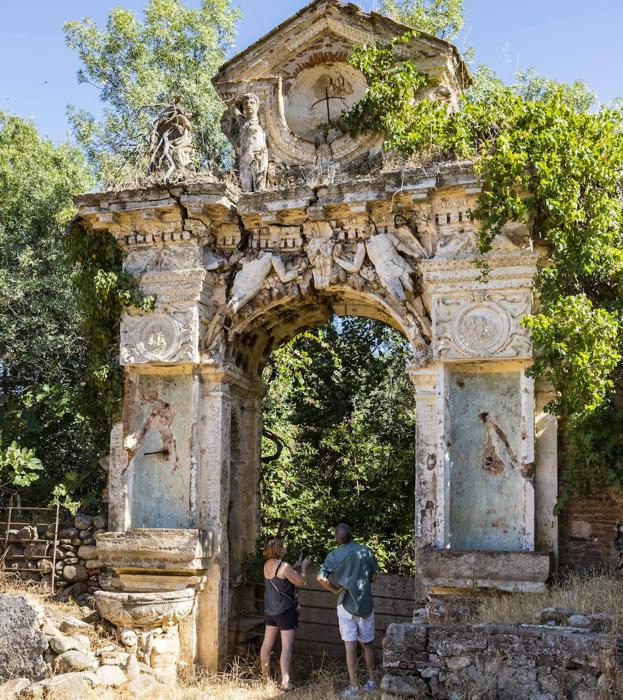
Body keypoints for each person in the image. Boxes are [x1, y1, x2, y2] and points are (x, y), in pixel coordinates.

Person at [318, 524, 379, 697]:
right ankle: (372, 682)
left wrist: (336, 589)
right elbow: (374, 576)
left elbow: (320, 577)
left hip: (344, 605)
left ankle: (354, 687)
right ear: (352, 535)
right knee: (367, 645)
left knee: (349, 646)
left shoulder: (334, 555)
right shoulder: (365, 551)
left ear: (337, 539)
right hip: (365, 603)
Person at [260, 536, 310, 691]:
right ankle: (286, 683)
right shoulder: (284, 566)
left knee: (266, 646)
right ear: (279, 549)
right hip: (285, 611)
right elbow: (301, 581)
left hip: (270, 611)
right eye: (284, 545)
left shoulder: (267, 564)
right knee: (286, 647)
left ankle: (265, 679)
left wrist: (293, 566)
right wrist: (304, 568)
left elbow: (280, 576)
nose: (286, 546)